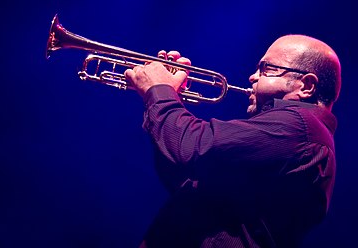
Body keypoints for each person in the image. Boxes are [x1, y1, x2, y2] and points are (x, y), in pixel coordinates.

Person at [124, 34, 341, 248]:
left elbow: (193, 146)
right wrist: (166, 97)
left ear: (306, 86)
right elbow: (185, 177)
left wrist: (160, 90)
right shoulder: (296, 133)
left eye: (266, 69)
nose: (253, 77)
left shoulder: (298, 128)